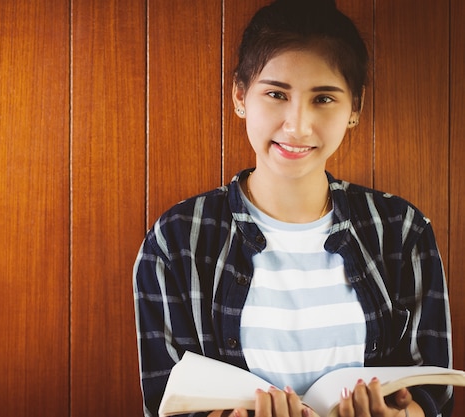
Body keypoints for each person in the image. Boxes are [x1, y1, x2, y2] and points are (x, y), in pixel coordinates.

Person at [133, 0, 453, 416]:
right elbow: (165, 403)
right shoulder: (176, 239)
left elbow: (433, 393)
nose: (297, 125)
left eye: (323, 99)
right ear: (240, 96)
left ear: (354, 108)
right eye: (276, 94)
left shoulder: (401, 229)